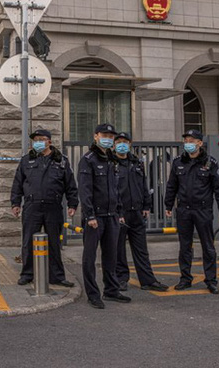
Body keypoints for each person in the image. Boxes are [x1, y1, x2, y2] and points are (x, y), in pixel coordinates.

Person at [10, 129, 78, 288]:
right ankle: (27, 274)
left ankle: (57, 276)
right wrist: (15, 203)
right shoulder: (26, 160)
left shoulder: (61, 161)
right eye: (36, 140)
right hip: (32, 206)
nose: (38, 142)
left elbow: (70, 185)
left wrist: (72, 204)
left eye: (41, 139)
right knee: (28, 242)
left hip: (53, 207)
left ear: (49, 142)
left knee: (54, 243)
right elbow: (17, 184)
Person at [164, 129, 219, 295]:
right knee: (185, 246)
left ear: (200, 143)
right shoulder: (178, 162)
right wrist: (168, 205)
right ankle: (185, 279)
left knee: (208, 247)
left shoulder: (210, 162)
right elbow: (172, 185)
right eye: (186, 141)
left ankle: (211, 280)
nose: (188, 144)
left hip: (203, 210)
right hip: (184, 210)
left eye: (191, 141)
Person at [78, 123, 131, 309]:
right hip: (95, 217)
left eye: (110, 136)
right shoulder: (88, 160)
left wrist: (119, 212)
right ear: (96, 136)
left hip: (112, 216)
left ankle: (111, 290)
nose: (108, 139)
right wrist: (89, 215)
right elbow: (85, 190)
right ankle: (93, 294)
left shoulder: (111, 159)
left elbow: (116, 189)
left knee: (111, 256)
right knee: (89, 257)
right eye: (104, 135)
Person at [113, 132, 168, 292]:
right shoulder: (111, 163)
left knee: (141, 249)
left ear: (130, 144)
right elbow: (111, 190)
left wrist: (146, 206)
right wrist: (118, 212)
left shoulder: (136, 162)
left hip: (137, 212)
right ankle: (121, 279)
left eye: (125, 141)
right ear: (114, 145)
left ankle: (147, 280)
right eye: (119, 142)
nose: (122, 144)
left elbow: (143, 185)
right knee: (118, 249)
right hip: (120, 213)